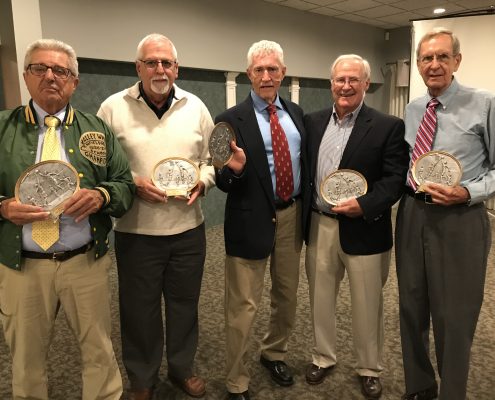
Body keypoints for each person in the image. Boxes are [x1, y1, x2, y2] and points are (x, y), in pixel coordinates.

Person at [0, 38, 134, 400]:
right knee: (25, 360)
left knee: (99, 351)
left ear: (74, 82)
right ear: (26, 76)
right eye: (40, 68)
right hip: (23, 266)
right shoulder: (2, 128)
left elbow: (124, 185)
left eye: (61, 70)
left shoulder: (96, 129)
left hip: (84, 263)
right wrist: (3, 207)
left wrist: (101, 195)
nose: (50, 76)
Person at [97, 33, 214, 400]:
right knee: (139, 310)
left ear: (176, 68)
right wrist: (133, 183)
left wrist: (204, 182)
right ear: (139, 67)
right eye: (151, 62)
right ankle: (142, 378)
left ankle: (181, 369)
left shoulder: (196, 107)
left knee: (184, 306)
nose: (160, 69)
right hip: (136, 231)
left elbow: (211, 160)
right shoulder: (112, 108)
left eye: (167, 62)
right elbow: (99, 165)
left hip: (188, 230)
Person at [396, 28, 495, 400]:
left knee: (454, 316)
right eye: (427, 58)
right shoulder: (413, 108)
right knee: (411, 306)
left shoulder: (485, 104)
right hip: (411, 214)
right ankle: (420, 386)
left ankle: (452, 393)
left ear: (457, 60)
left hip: (460, 219)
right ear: (419, 64)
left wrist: (468, 192)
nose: (434, 64)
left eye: (442, 56)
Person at [302, 54, 408, 399]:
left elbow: (394, 179)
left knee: (367, 304)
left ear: (366, 84)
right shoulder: (313, 122)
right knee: (320, 298)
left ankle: (369, 368)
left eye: (353, 80)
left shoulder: (387, 126)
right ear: (331, 83)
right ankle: (323, 356)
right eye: (339, 79)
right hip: (320, 225)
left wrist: (364, 205)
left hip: (365, 227)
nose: (345, 86)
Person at [215, 40, 307, 400]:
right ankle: (236, 379)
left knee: (286, 296)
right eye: (259, 70)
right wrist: (235, 170)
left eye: (272, 69)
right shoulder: (227, 120)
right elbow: (221, 178)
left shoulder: (296, 114)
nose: (266, 76)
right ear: (248, 74)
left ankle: (274, 352)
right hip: (248, 220)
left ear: (283, 73)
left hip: (291, 216)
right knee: (242, 306)